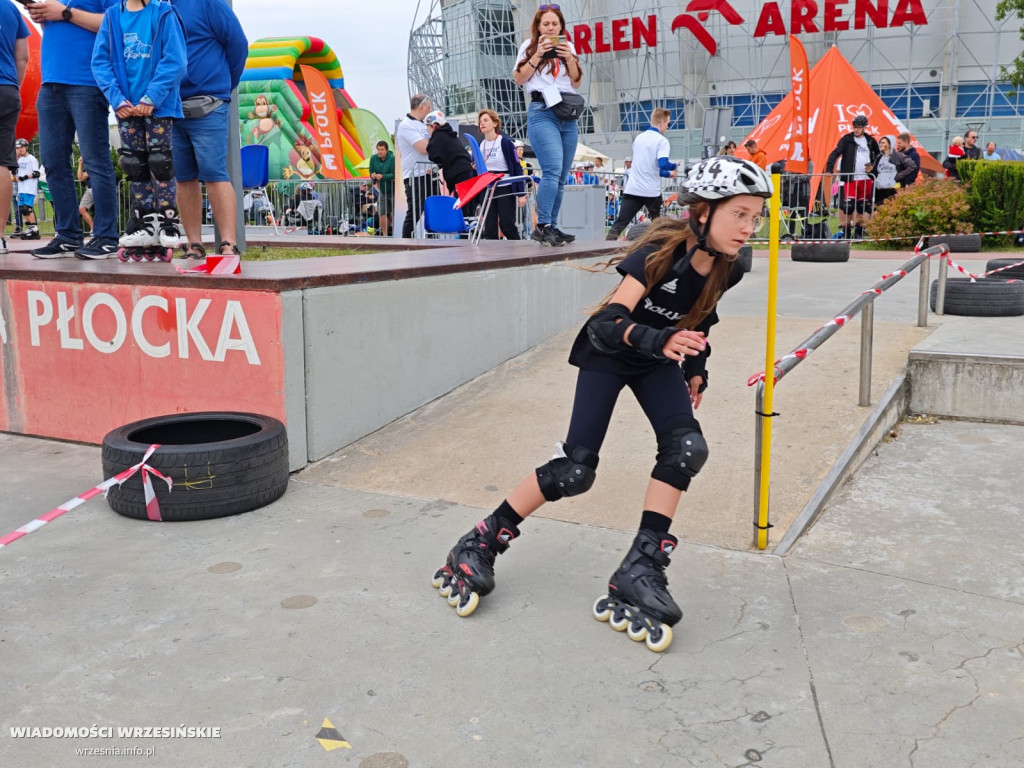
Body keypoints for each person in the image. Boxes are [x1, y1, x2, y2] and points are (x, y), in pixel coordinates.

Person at [430, 156, 773, 653]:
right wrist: (659, 342)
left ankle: (642, 567)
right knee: (575, 471)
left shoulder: (731, 265)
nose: (749, 226)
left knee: (686, 450)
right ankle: (481, 538)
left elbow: (701, 318)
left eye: (756, 216)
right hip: (611, 353)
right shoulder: (660, 251)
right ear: (702, 213)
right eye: (739, 213)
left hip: (658, 356)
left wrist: (696, 366)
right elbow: (605, 323)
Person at [92, 0, 187, 255]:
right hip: (126, 106)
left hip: (158, 104)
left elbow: (176, 60)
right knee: (134, 164)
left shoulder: (163, 13)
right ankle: (144, 220)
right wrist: (116, 98)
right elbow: (100, 62)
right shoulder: (112, 16)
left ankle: (168, 220)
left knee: (160, 161)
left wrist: (152, 96)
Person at [28, 0, 121, 260]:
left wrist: (66, 13)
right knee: (53, 162)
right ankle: (67, 235)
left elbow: (116, 23)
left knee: (95, 161)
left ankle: (106, 236)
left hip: (87, 82)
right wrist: (44, 15)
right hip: (50, 83)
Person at [169, 0, 248, 259]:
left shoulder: (209, 3)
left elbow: (238, 45)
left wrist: (222, 86)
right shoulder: (159, 8)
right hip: (171, 105)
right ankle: (194, 244)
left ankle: (228, 243)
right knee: (183, 177)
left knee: (215, 173)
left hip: (209, 104)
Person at [512, 5, 583, 247]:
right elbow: (519, 79)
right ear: (538, 27)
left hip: (567, 112)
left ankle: (551, 225)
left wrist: (569, 57)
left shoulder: (568, 47)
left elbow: (576, 82)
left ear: (561, 26)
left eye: (555, 24)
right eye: (546, 24)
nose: (551, 28)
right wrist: (538, 54)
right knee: (552, 170)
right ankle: (542, 226)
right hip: (543, 111)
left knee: (561, 175)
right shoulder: (529, 47)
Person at [605, 108, 677, 241]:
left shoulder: (638, 138)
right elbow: (662, 164)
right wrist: (673, 166)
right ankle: (661, 249)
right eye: (668, 123)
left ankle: (604, 249)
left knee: (620, 223)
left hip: (633, 188)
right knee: (659, 223)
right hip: (651, 191)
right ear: (661, 123)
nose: (668, 127)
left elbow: (647, 166)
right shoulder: (662, 141)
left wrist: (667, 174)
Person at [0, 0, 28, 254]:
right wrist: (13, 86)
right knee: (1, 163)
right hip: (6, 88)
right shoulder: (10, 8)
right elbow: (23, 57)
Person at [825, 114, 879, 239]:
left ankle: (859, 231)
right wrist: (829, 168)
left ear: (864, 127)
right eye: (855, 127)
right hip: (851, 178)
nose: (856, 130)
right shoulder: (847, 139)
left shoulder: (870, 141)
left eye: (859, 127)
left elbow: (878, 156)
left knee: (862, 206)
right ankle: (846, 230)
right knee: (848, 206)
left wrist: (873, 167)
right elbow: (835, 153)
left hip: (866, 179)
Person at [477, 108, 525, 240]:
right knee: (489, 226)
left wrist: (521, 194)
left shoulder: (505, 142)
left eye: (486, 120)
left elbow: (516, 167)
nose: (482, 123)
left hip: (505, 185)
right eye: (480, 121)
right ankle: (491, 257)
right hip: (487, 187)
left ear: (494, 123)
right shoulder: (480, 145)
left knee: (507, 224)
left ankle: (517, 251)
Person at [397, 93, 439, 238]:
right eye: (428, 108)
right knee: (414, 212)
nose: (430, 111)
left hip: (429, 174)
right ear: (421, 107)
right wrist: (438, 141)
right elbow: (423, 148)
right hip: (415, 176)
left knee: (434, 211)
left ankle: (433, 241)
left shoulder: (422, 124)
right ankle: (405, 243)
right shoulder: (406, 125)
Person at [424, 110, 478, 216]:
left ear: (434, 126)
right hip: (466, 171)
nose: (427, 130)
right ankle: (467, 229)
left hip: (460, 174)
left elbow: (432, 153)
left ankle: (464, 230)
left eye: (428, 126)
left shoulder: (439, 136)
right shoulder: (449, 134)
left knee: (462, 206)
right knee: (466, 204)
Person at [873, 135, 912, 207]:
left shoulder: (899, 156)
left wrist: (899, 176)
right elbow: (875, 172)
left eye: (883, 143)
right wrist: (869, 171)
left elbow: (912, 166)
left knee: (890, 209)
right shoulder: (879, 157)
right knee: (878, 211)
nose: (881, 144)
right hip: (880, 188)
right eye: (880, 143)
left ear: (890, 144)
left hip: (893, 188)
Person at [13, 138, 39, 240]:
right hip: (21, 189)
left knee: (27, 209)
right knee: (22, 209)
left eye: (22, 147)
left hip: (29, 188)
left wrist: (23, 178)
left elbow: (36, 173)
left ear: (26, 147)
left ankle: (34, 229)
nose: (20, 149)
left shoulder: (31, 159)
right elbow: (16, 173)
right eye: (18, 148)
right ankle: (29, 228)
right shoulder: (19, 160)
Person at [368, 139, 394, 236]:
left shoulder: (392, 158)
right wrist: (372, 175)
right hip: (382, 190)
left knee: (393, 212)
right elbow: (371, 171)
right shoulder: (373, 158)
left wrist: (382, 176)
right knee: (382, 212)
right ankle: (385, 235)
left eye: (382, 149)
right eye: (378, 149)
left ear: (386, 150)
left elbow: (394, 174)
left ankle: (396, 232)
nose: (380, 151)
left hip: (394, 189)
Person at [77, 156, 94, 234]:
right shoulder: (87, 164)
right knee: (81, 209)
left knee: (101, 210)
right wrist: (80, 164)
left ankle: (101, 230)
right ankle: (93, 228)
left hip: (97, 188)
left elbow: (84, 176)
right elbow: (80, 177)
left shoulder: (93, 162)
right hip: (89, 189)